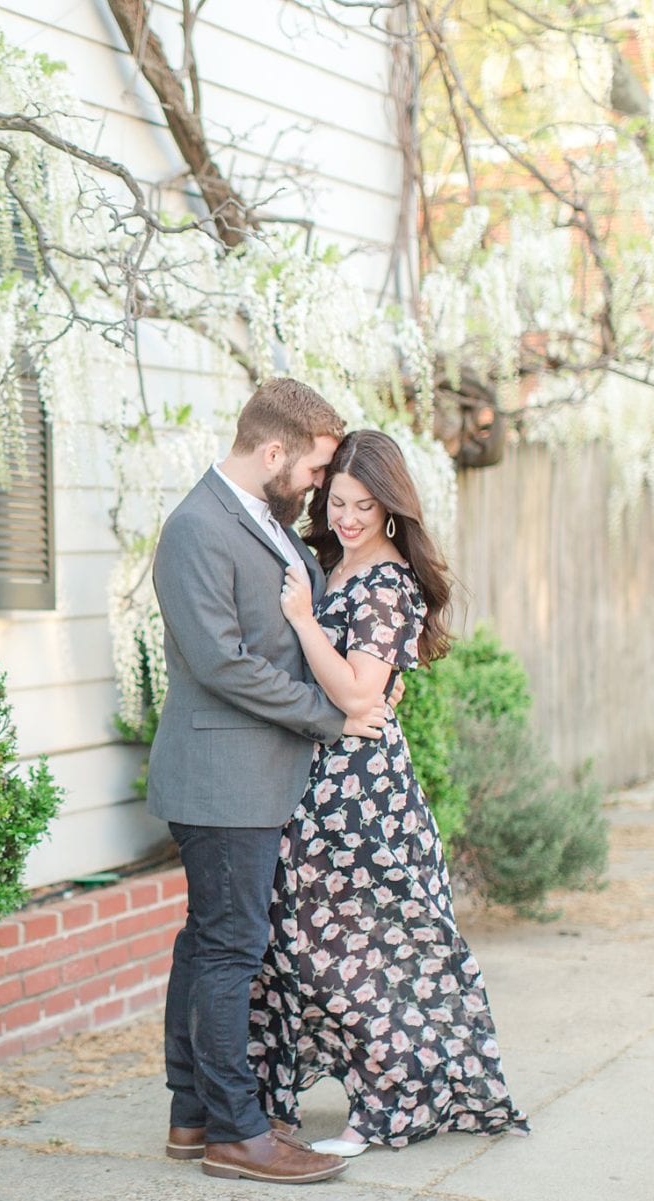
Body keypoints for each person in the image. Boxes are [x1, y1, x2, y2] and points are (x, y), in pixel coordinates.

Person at [251, 429, 530, 1156]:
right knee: (298, 942)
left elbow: (354, 691)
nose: (346, 517)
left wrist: (307, 626)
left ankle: (385, 1108)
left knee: (370, 945)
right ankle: (275, 1097)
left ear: (392, 508)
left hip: (365, 797)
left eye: (364, 506)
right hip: (313, 786)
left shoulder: (388, 582)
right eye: (336, 500)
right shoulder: (329, 565)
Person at [147, 379, 394, 1186]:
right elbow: (222, 661)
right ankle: (237, 1133)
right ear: (274, 451)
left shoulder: (263, 520)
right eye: (318, 470)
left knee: (206, 940)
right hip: (222, 777)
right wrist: (330, 715)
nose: (321, 488)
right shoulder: (195, 528)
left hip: (253, 776)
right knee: (229, 950)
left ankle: (193, 1115)